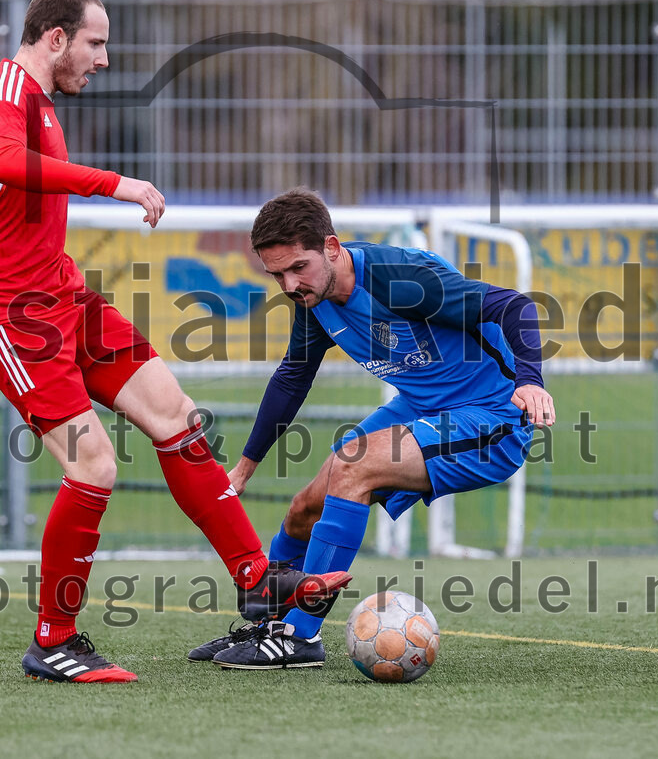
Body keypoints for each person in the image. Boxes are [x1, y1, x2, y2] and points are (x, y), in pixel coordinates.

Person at [0, 0, 349, 684]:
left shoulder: (27, 99)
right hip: (11, 313)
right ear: (54, 37)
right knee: (94, 465)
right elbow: (4, 168)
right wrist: (116, 184)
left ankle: (257, 581)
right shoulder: (2, 92)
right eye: (95, 43)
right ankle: (54, 641)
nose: (103, 59)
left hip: (61, 294)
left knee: (176, 417)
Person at [189, 188, 555, 669]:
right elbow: (292, 378)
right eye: (276, 273)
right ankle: (268, 626)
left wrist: (531, 383)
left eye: (298, 267)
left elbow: (514, 306)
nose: (288, 284)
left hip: (493, 416)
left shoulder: (400, 279)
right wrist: (243, 468)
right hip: (422, 407)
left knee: (352, 464)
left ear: (333, 248)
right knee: (303, 508)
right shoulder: (313, 300)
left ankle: (300, 638)